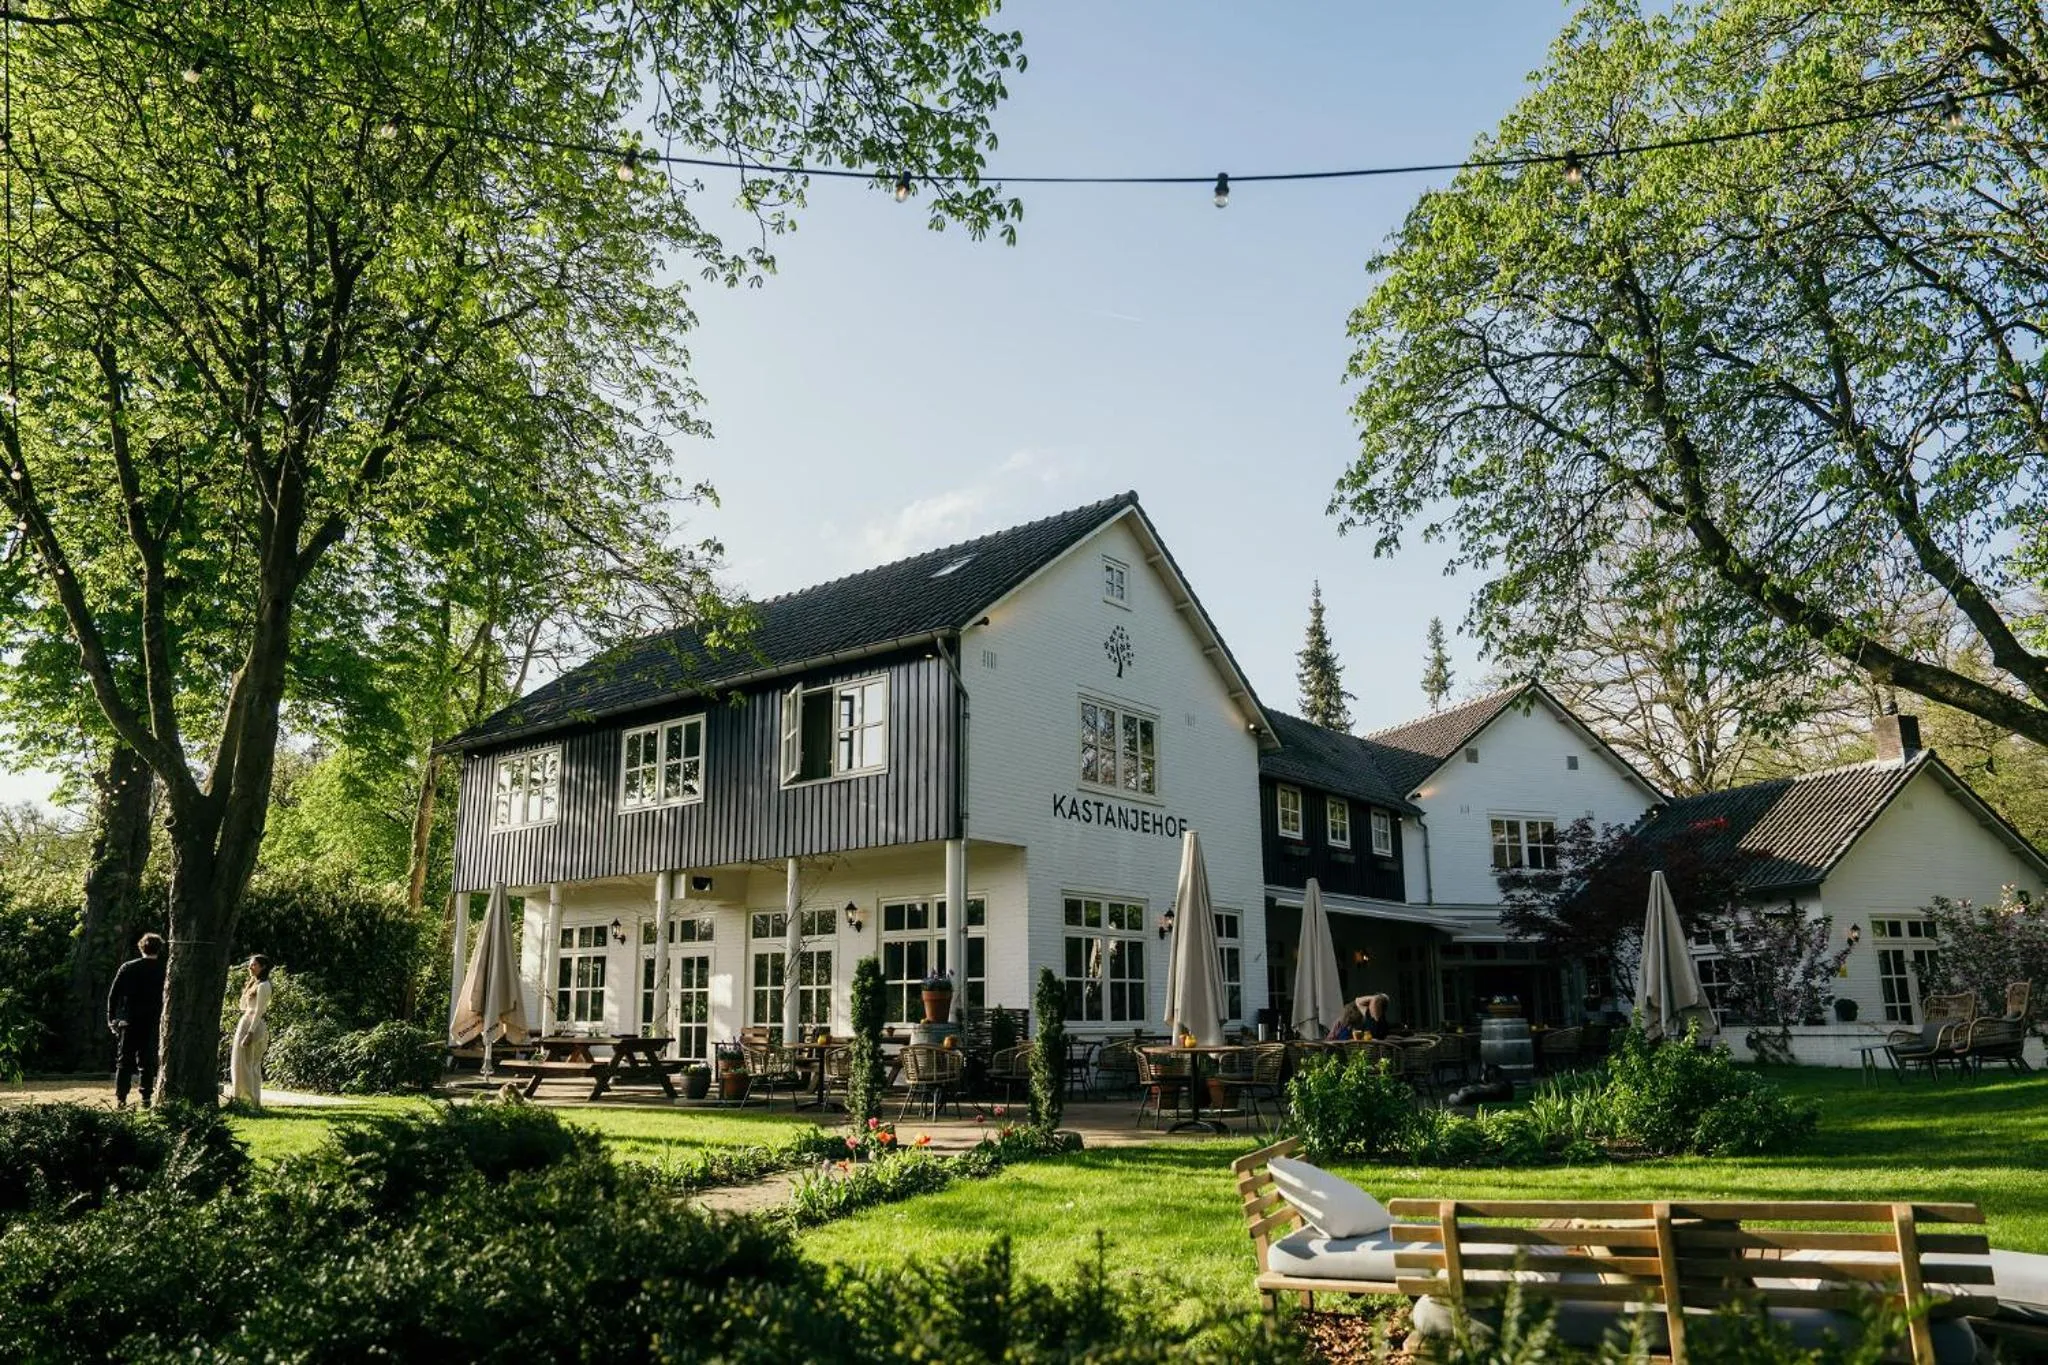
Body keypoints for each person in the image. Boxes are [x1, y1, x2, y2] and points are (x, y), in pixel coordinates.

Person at [106, 932, 167, 1108]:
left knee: (124, 1061)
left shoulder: (128, 967)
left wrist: (112, 1018)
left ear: (141, 947)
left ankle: (121, 1098)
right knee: (147, 1060)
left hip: (129, 1019)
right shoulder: (164, 969)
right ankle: (146, 1096)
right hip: (153, 1020)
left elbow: (114, 995)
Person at [230, 955, 273, 1109]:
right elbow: (242, 1006)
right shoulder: (255, 984)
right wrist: (247, 988)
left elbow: (259, 1011)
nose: (250, 967)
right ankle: (241, 1099)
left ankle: (252, 1101)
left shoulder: (264, 985)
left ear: (263, 967)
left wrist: (250, 1033)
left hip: (253, 1026)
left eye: (254, 965)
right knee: (240, 1063)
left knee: (251, 1065)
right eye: (250, 964)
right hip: (245, 1021)